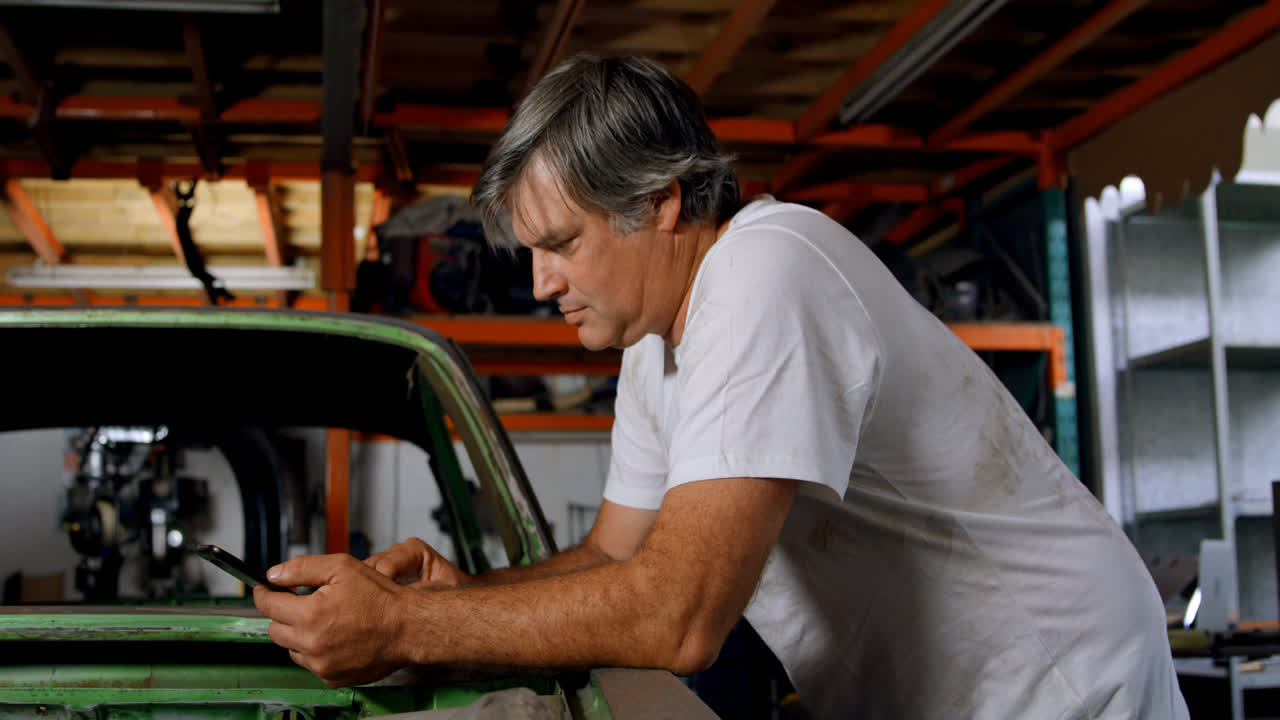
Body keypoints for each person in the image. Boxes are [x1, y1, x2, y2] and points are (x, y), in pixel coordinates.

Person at [254, 54, 1189, 719]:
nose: (541, 285)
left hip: (1057, 688)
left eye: (561, 245)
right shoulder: (655, 346)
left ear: (660, 202)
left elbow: (680, 613)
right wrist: (460, 602)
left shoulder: (763, 271)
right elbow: (619, 553)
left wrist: (411, 629)